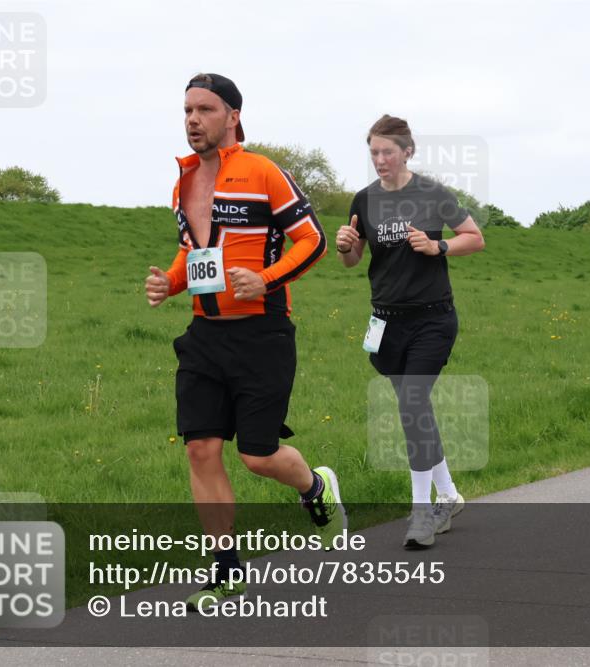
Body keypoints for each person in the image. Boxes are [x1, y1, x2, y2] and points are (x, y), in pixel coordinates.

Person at [144, 73, 345, 611]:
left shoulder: (263, 173)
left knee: (257, 456)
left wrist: (269, 277)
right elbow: (195, 252)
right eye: (187, 110)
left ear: (231, 115)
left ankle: (314, 487)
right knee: (200, 447)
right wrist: (170, 280)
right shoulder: (184, 181)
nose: (192, 120)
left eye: (205, 110)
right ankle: (225, 572)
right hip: (204, 335)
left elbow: (314, 240)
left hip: (263, 334)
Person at [335, 115, 485, 548]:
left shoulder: (432, 193)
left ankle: (421, 514)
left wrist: (438, 245)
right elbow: (353, 258)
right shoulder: (363, 200)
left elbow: (473, 238)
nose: (380, 160)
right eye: (374, 153)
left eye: (387, 152)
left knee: (413, 402)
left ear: (407, 151)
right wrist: (346, 246)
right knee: (413, 409)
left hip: (432, 319)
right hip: (386, 323)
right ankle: (450, 494)